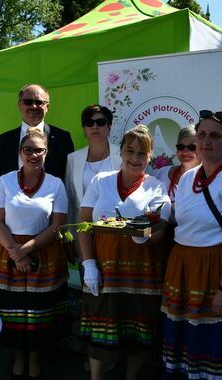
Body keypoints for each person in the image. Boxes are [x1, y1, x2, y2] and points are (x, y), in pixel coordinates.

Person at [161, 110, 222, 379]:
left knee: (214, 344)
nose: (205, 141)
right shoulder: (189, 178)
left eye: (215, 135)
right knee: (186, 342)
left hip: (216, 270)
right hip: (183, 268)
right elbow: (183, 223)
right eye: (201, 135)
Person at [78, 125, 170, 380]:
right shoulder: (101, 181)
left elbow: (160, 230)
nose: (135, 158)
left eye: (142, 153)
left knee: (137, 331)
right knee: (99, 326)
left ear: (150, 156)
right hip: (104, 269)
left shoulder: (156, 187)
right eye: (130, 151)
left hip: (141, 272)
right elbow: (84, 223)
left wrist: (145, 238)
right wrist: (89, 264)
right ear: (121, 152)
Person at [0, 128, 70, 379]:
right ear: (20, 152)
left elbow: (57, 225)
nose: (33, 154)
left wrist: (26, 250)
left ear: (46, 153)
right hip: (6, 248)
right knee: (13, 308)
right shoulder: (5, 180)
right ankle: (18, 356)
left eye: (38, 150)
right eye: (28, 150)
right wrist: (15, 252)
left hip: (43, 249)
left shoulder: (55, 184)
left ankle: (35, 357)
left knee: (39, 310)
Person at [0, 84, 74, 199]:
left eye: (39, 102)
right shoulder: (2, 143)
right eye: (28, 102)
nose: (34, 106)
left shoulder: (63, 139)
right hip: (12, 213)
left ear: (47, 107)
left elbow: (68, 181)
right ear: (19, 105)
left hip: (54, 211)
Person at [65, 104, 122, 224]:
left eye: (100, 122)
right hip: (81, 228)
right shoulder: (73, 158)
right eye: (89, 123)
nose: (95, 126)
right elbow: (69, 200)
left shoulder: (122, 156)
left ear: (109, 127)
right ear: (84, 129)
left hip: (115, 226)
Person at [155, 125, 200, 203]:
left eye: (192, 147)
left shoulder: (208, 182)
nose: (185, 152)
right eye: (181, 146)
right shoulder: (163, 173)